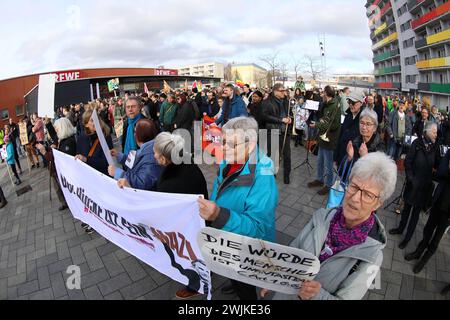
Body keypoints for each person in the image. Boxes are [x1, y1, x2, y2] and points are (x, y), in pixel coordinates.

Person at [264, 152, 396, 300]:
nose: (355, 199)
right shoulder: (322, 216)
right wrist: (276, 274)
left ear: (378, 203)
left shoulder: (372, 256)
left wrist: (317, 295)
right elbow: (295, 250)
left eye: (368, 195)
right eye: (354, 187)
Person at [197, 117, 278, 300]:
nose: (224, 148)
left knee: (245, 288)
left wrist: (219, 215)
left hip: (247, 249)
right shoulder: (228, 161)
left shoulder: (263, 178)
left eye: (232, 144)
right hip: (227, 240)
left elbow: (259, 228)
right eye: (224, 142)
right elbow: (220, 191)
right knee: (233, 274)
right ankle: (234, 282)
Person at [152, 132, 208, 299]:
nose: (153, 155)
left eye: (155, 152)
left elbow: (161, 206)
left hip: (188, 230)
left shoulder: (172, 182)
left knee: (189, 257)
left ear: (163, 158)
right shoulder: (183, 163)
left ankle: (196, 286)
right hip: (197, 223)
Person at [389, 122, 440, 249]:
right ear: (427, 131)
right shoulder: (416, 143)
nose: (436, 134)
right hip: (413, 184)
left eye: (436, 132)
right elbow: (408, 162)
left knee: (415, 215)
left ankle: (407, 238)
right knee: (406, 209)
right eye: (434, 132)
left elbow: (437, 166)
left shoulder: (436, 147)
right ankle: (400, 228)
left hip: (424, 188)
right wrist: (410, 178)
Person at [404, 149, 450, 273]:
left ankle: (423, 261)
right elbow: (440, 173)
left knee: (436, 240)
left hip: (448, 212)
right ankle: (418, 252)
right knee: (427, 230)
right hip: (439, 201)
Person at [75, 109, 114, 234]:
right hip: (87, 177)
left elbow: (106, 162)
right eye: (92, 121)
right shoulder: (81, 138)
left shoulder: (105, 137)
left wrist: (87, 159)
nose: (96, 123)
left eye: (97, 120)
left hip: (102, 175)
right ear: (86, 124)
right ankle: (91, 221)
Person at [36, 117, 77, 211]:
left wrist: (45, 152)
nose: (56, 130)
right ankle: (65, 202)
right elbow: (54, 135)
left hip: (65, 173)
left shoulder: (68, 142)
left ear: (62, 128)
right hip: (57, 171)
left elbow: (59, 159)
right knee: (58, 188)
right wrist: (48, 123)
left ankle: (70, 204)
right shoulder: (62, 139)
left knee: (63, 188)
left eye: (57, 128)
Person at [109, 119, 161, 191]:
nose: (134, 134)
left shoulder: (151, 157)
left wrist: (118, 173)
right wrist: (119, 155)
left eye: (135, 131)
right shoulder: (146, 148)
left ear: (139, 135)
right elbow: (133, 161)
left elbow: (142, 183)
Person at [307, 86, 341, 195]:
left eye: (323, 93)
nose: (321, 95)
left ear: (326, 93)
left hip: (329, 139)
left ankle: (328, 184)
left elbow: (335, 124)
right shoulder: (326, 104)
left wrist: (317, 124)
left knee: (328, 164)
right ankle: (320, 179)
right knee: (320, 161)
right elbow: (324, 118)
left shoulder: (335, 105)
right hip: (323, 137)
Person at [260, 83, 292, 184]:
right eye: (282, 91)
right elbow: (264, 116)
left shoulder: (286, 101)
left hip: (285, 132)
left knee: (287, 156)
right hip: (273, 131)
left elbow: (289, 113)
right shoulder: (267, 102)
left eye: (284, 90)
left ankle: (287, 176)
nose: (284, 93)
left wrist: (290, 119)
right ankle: (272, 176)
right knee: (273, 156)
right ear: (275, 91)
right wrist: (281, 120)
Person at [334, 92, 363, 168]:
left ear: (361, 103)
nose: (350, 105)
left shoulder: (364, 119)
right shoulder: (347, 114)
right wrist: (336, 157)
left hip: (354, 160)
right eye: (349, 102)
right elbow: (340, 135)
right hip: (342, 155)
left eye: (353, 102)